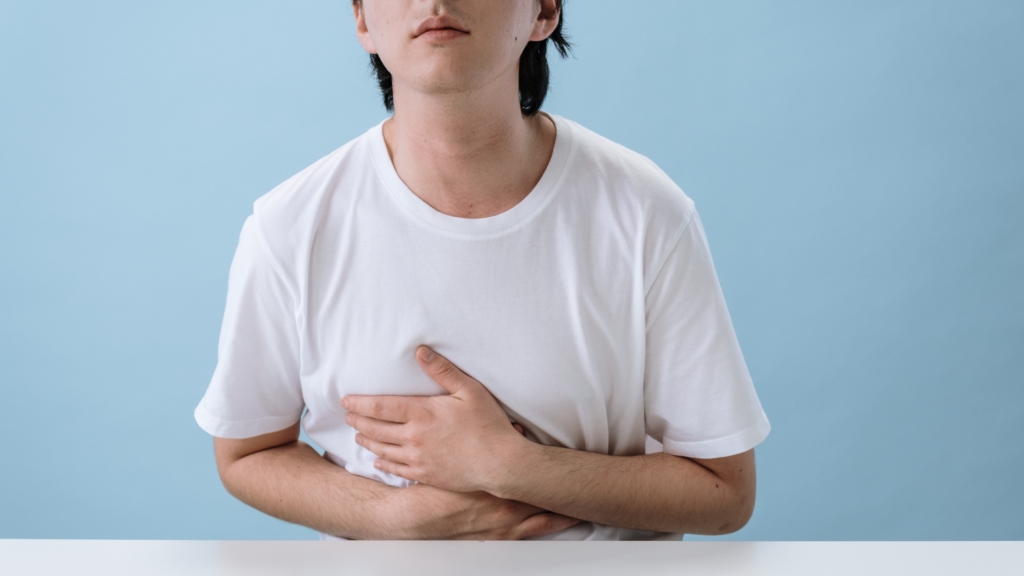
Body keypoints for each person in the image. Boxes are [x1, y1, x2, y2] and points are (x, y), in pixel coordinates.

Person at [194, 0, 770, 541]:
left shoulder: (645, 211)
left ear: (544, 10)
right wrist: (396, 518)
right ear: (363, 20)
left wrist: (513, 466)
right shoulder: (290, 226)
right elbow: (246, 453)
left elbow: (724, 491)